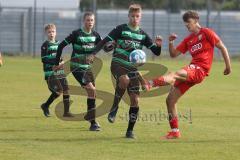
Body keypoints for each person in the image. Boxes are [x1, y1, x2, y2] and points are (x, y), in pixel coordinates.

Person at [145, 10, 231, 139]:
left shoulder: (207, 33)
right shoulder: (188, 39)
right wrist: (170, 42)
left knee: (175, 74)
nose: (187, 26)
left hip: (199, 70)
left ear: (196, 21)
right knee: (170, 100)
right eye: (185, 24)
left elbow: (222, 47)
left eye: (189, 23)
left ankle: (150, 83)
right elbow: (174, 55)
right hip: (192, 70)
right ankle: (175, 131)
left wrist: (228, 66)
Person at [91, 4, 162, 138]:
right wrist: (93, 53)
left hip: (132, 68)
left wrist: (159, 45)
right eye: (133, 16)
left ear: (140, 17)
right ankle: (114, 107)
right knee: (124, 79)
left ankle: (129, 131)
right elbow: (104, 42)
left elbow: (156, 52)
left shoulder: (142, 35)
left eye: (137, 16)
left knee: (135, 100)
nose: (135, 18)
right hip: (118, 63)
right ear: (128, 16)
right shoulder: (120, 29)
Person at [55, 12, 102, 131]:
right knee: (92, 90)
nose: (90, 22)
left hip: (88, 68)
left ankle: (90, 118)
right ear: (83, 21)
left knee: (93, 93)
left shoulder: (96, 35)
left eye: (92, 20)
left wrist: (111, 45)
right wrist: (57, 63)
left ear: (94, 21)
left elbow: (103, 47)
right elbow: (61, 45)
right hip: (76, 67)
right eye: (88, 20)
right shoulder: (76, 34)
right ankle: (93, 122)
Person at [40, 24, 72, 117]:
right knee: (57, 92)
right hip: (50, 73)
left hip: (60, 71)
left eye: (53, 31)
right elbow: (44, 59)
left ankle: (66, 112)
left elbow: (60, 57)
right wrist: (57, 62)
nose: (51, 34)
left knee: (66, 90)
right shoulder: (45, 45)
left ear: (56, 32)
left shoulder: (58, 44)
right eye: (49, 32)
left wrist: (62, 61)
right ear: (46, 33)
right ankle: (46, 106)